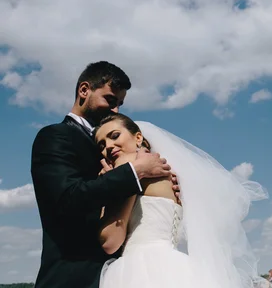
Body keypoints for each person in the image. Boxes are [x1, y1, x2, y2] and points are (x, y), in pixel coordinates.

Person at [30, 61, 179, 288]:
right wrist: (135, 173)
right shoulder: (55, 136)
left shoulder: (118, 148)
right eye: (110, 100)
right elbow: (67, 198)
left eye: (119, 103)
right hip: (74, 277)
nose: (116, 109)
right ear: (84, 91)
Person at [93, 112, 267, 288]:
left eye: (115, 136)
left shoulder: (130, 168)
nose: (108, 146)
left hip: (141, 269)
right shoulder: (172, 172)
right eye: (102, 144)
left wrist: (124, 180)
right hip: (175, 267)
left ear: (138, 137)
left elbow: (110, 242)